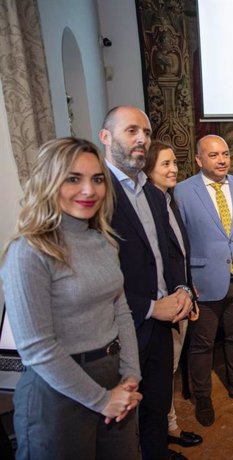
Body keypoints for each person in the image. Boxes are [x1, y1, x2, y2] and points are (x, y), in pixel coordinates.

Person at [0, 137, 142, 459]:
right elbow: (36, 347)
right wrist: (101, 399)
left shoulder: (103, 240)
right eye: (73, 179)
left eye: (97, 179)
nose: (89, 191)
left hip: (114, 378)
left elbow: (120, 310)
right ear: (49, 181)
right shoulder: (29, 251)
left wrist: (131, 374)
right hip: (57, 391)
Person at [100, 106, 194, 460]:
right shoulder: (98, 196)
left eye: (147, 132)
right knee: (125, 416)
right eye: (131, 131)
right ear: (105, 137)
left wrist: (182, 289)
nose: (141, 138)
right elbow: (100, 277)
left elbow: (169, 254)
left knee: (157, 402)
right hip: (123, 328)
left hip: (161, 324)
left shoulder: (154, 194)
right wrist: (151, 307)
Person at [175, 134, 233, 427]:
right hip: (204, 282)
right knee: (202, 345)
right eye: (213, 155)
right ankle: (203, 396)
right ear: (199, 160)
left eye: (225, 153)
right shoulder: (182, 192)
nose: (222, 159)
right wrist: (186, 285)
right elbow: (179, 244)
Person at [143, 141, 203, 449]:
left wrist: (189, 292)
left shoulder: (169, 200)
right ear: (148, 168)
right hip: (162, 307)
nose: (173, 169)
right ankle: (165, 432)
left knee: (171, 370)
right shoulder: (148, 205)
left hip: (180, 300)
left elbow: (180, 254)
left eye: (174, 163)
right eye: (165, 164)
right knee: (162, 374)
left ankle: (168, 428)